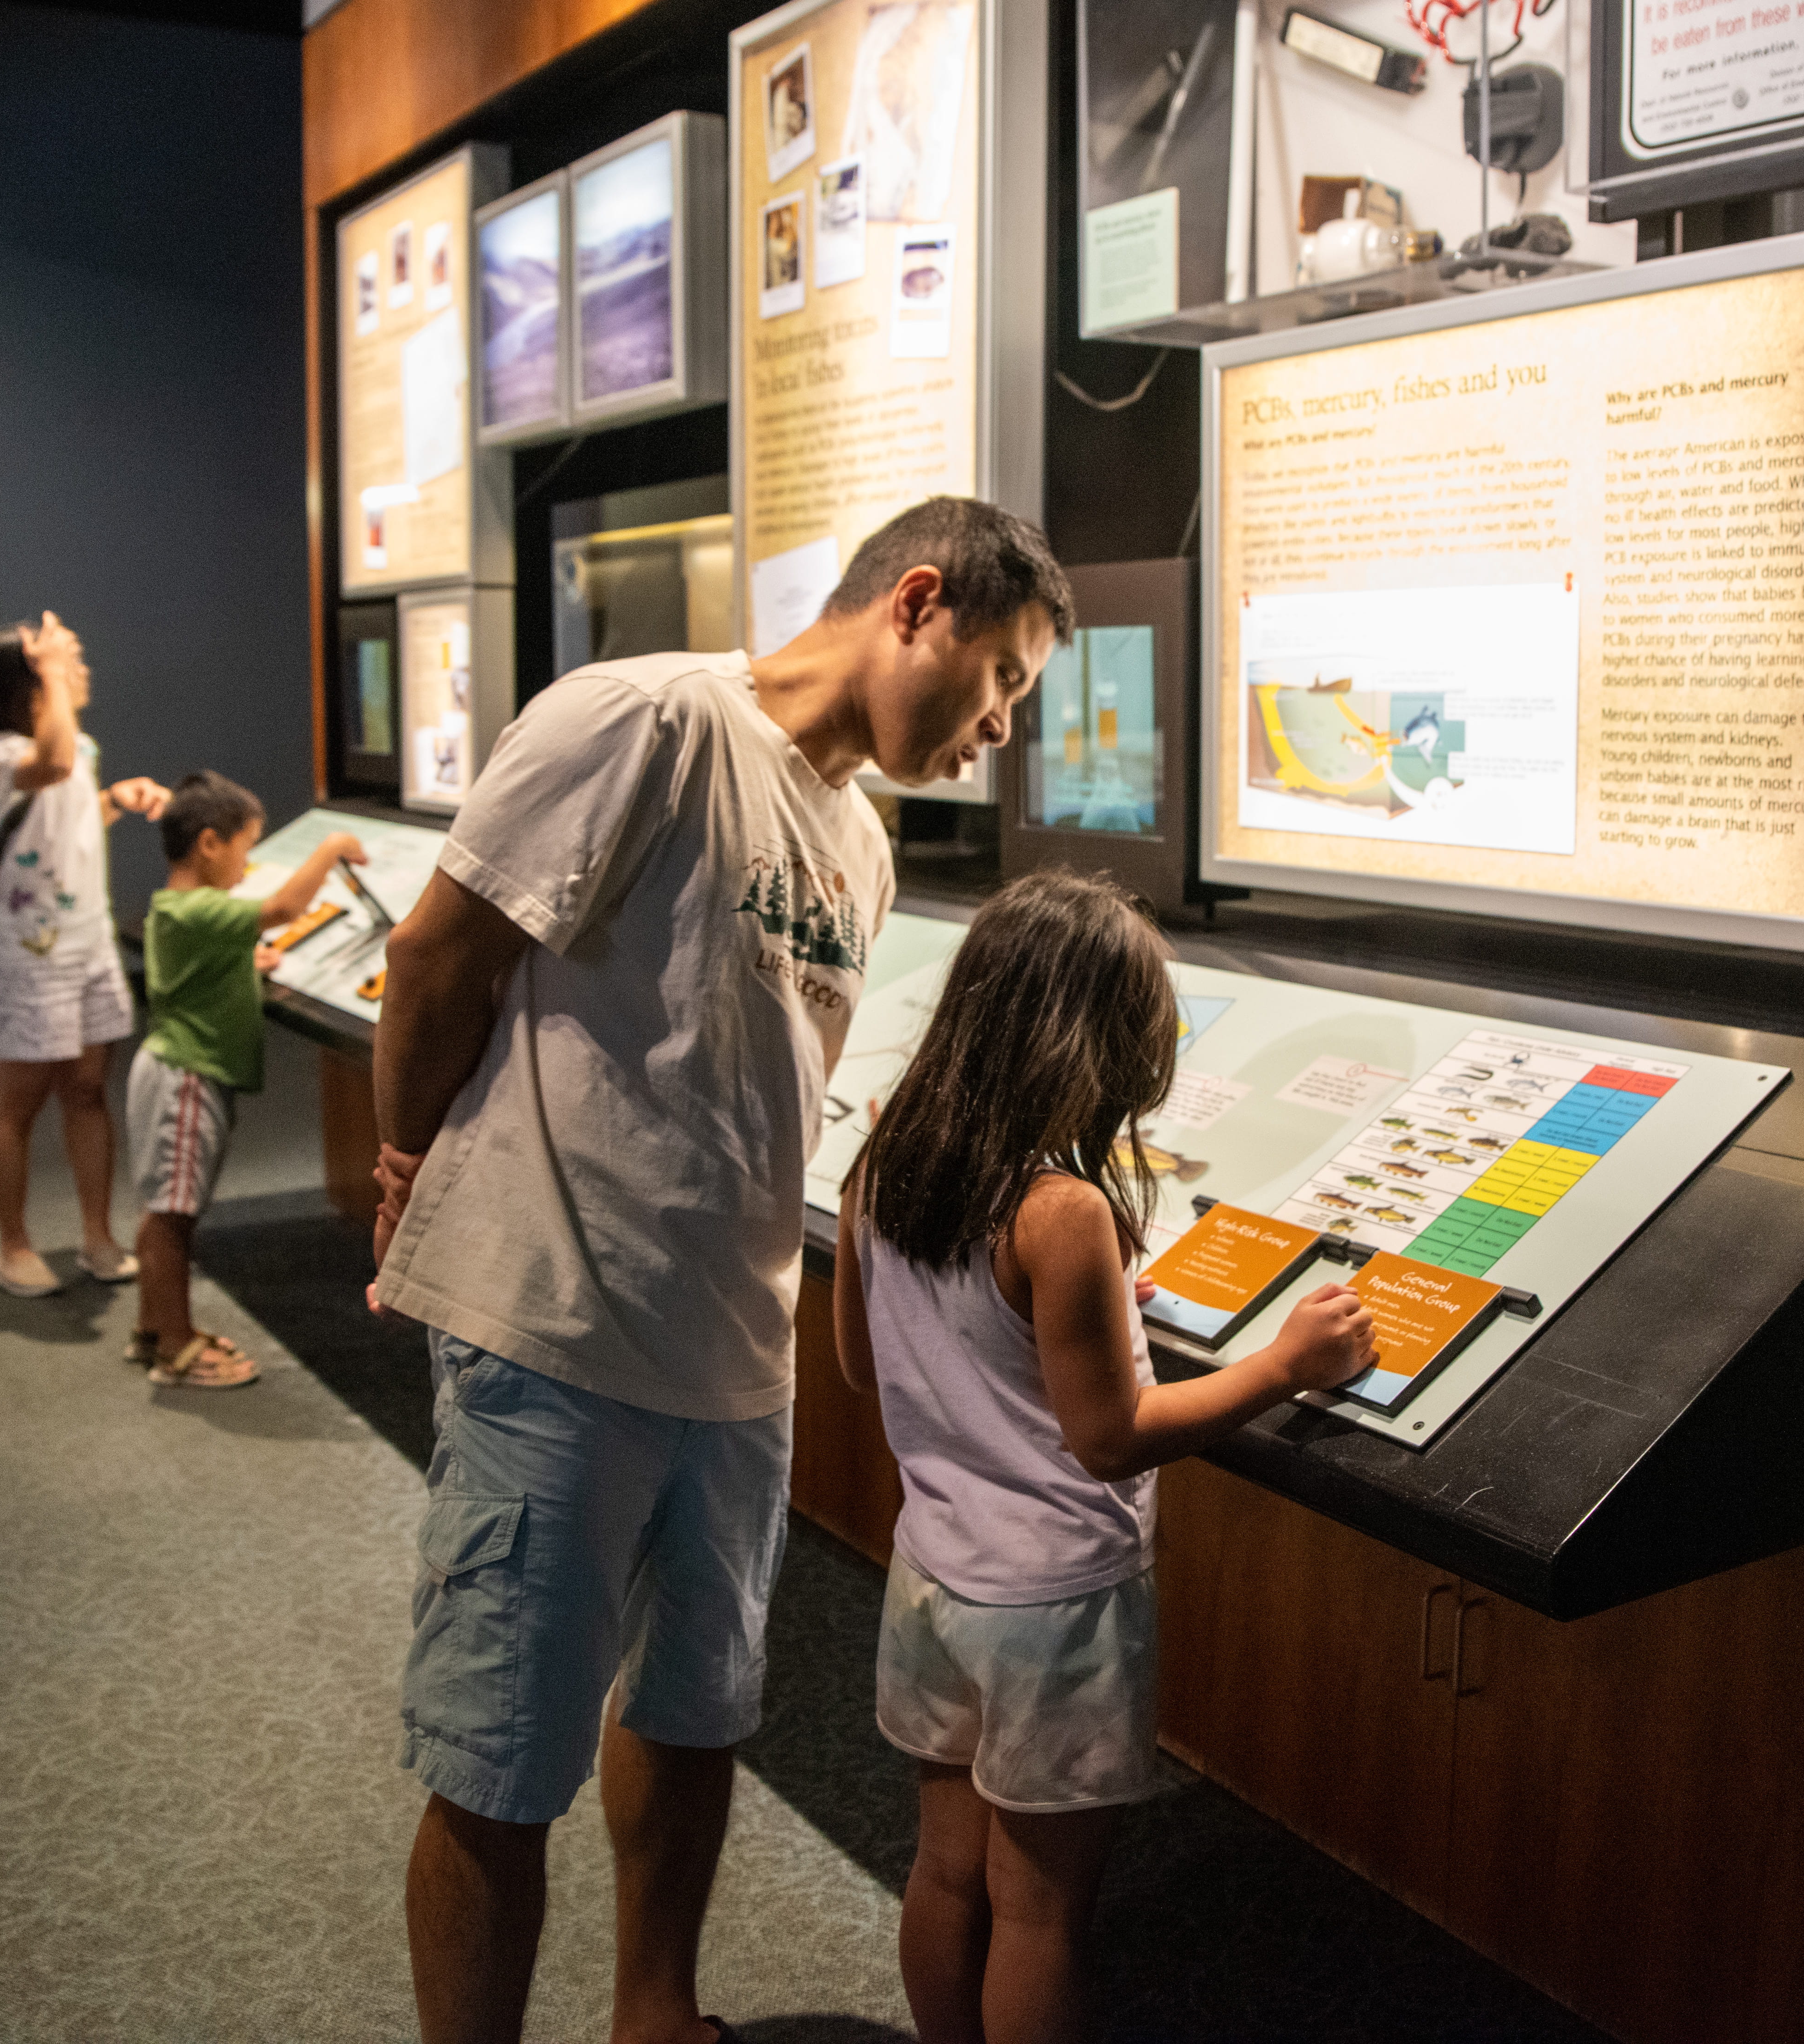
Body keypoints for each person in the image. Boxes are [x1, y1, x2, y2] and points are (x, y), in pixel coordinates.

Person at [370, 496, 1074, 2044]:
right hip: (554, 1324)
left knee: (696, 1713)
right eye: (1004, 679)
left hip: (732, 1355)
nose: (1000, 728)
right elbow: (434, 959)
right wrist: (409, 1157)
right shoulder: (646, 721)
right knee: (499, 1761)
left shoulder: (861, 841)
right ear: (916, 603)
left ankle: (656, 2013)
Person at [830, 870, 1378, 2044]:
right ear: (1091, 1039)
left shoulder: (881, 1167)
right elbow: (1108, 1437)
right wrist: (1283, 1364)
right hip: (1053, 1603)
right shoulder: (1060, 1209)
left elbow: (863, 1363)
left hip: (930, 1574)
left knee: (945, 1871)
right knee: (1039, 1912)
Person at [0, 613, 173, 1298]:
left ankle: (98, 1236)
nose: (81, 672)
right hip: (23, 956)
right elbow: (47, 770)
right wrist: (50, 667)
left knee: (86, 1088)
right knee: (17, 1100)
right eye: (66, 663)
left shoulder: (76, 745)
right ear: (26, 685)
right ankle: (12, 1248)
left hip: (85, 943)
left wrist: (113, 801)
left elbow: (54, 824)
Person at [127, 771, 365, 1388]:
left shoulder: (176, 908)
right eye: (246, 847)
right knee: (174, 1218)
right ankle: (176, 1346)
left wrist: (243, 963)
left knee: (164, 1210)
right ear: (210, 844)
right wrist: (333, 847)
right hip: (188, 1080)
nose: (247, 864)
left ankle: (154, 1326)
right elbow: (283, 909)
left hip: (174, 1070)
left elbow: (197, 967)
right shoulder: (201, 908)